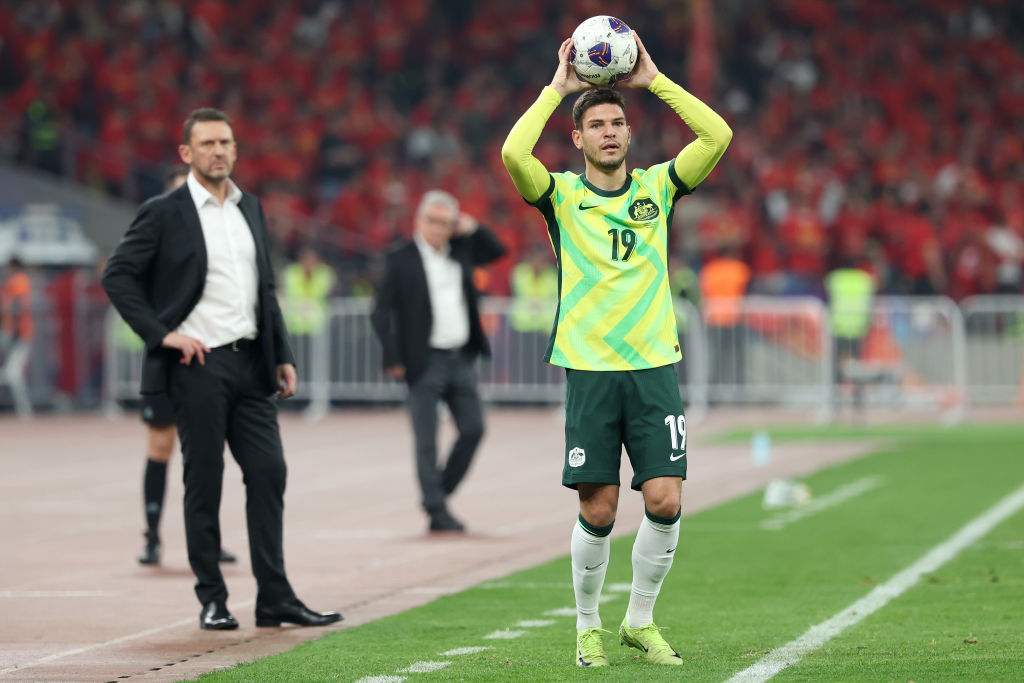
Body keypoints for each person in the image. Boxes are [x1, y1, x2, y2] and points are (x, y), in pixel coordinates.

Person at [501, 33, 731, 667]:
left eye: (617, 123)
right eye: (596, 125)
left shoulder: (659, 188)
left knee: (665, 499)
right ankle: (586, 627)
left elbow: (717, 138)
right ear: (578, 140)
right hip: (591, 370)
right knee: (597, 508)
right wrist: (558, 88)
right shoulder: (560, 198)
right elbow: (511, 151)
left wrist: (654, 81)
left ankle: (640, 620)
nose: (609, 131)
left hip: (654, 366)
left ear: (630, 134)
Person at [103, 108, 341, 631]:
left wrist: (283, 355)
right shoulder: (164, 212)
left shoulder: (249, 207)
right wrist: (161, 334)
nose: (219, 151)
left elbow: (266, 291)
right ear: (186, 153)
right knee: (203, 481)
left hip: (251, 364)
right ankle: (212, 597)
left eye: (226, 142)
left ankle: (275, 597)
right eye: (207, 143)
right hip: (198, 366)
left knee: (268, 472)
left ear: (236, 149)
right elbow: (117, 275)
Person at [370, 190, 506, 533]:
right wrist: (393, 356)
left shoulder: (461, 250)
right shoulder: (400, 257)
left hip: (460, 357)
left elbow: (497, 251)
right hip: (422, 359)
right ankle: (436, 510)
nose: (438, 229)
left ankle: (438, 494)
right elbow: (380, 311)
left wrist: (471, 227)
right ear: (418, 220)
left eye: (446, 223)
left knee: (474, 428)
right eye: (432, 221)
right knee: (426, 439)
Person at [135, 164, 237, 566]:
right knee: (161, 446)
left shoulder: (219, 236)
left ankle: (208, 540)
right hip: (167, 355)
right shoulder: (152, 235)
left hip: (210, 355)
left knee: (208, 452)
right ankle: (152, 536)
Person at [0, 257, 33, 417]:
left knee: (12, 374)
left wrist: (15, 331)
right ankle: (23, 410)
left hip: (18, 334)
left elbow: (17, 305)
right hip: (11, 333)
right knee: (11, 374)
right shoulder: (11, 281)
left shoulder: (18, 280)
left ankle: (24, 410)